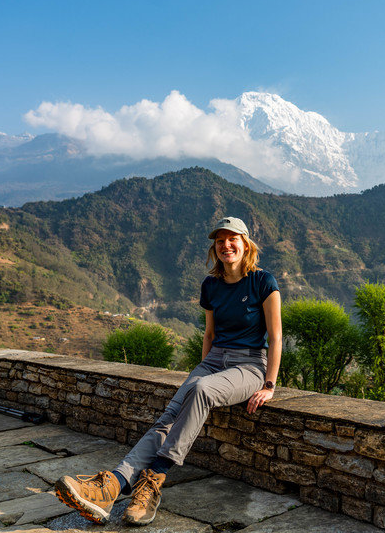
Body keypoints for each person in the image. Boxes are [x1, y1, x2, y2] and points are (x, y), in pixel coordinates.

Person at [54, 216, 282, 526]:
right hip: (214, 360)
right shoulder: (211, 285)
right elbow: (209, 335)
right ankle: (113, 485)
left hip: (250, 363)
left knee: (203, 391)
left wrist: (269, 384)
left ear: (245, 244)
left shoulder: (263, 281)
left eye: (232, 239)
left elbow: (276, 336)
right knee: (169, 417)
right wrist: (202, 369)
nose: (226, 245)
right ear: (215, 248)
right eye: (220, 240)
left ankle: (156, 478)